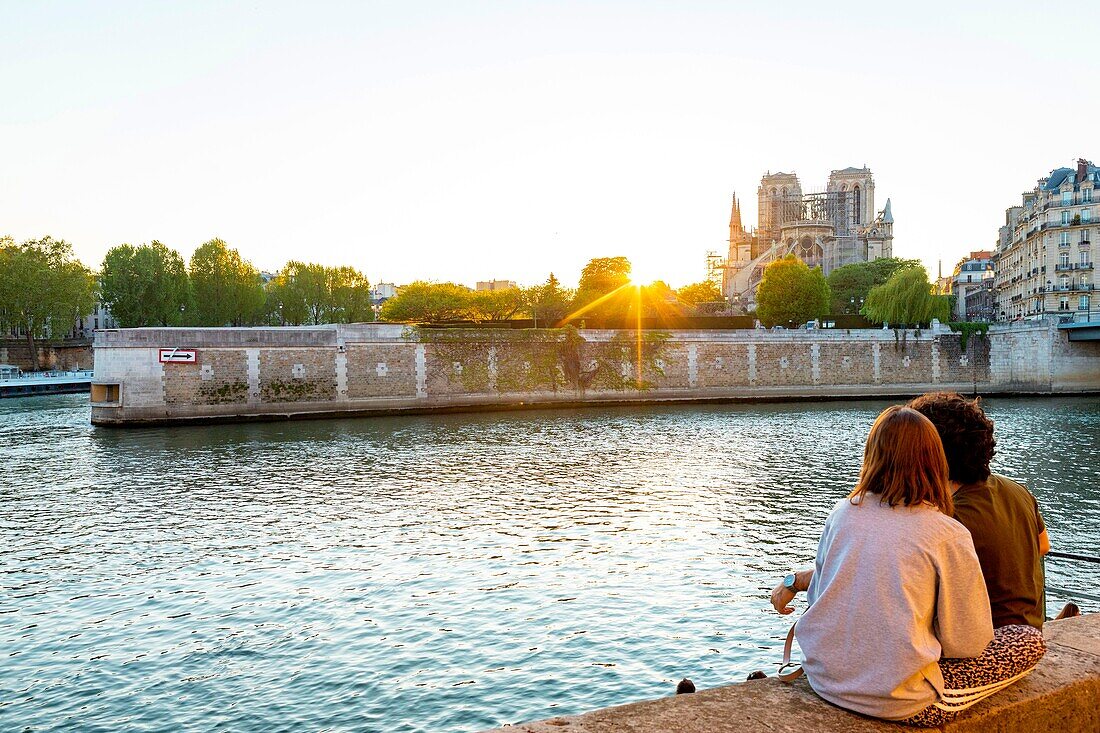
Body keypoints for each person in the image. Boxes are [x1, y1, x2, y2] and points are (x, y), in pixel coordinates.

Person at [770, 406, 1045, 726]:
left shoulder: (841, 512)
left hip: (823, 680)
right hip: (898, 700)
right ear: (935, 460)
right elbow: (968, 644)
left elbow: (819, 599)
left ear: (871, 455)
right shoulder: (947, 532)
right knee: (1028, 640)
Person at [906, 392, 1052, 628]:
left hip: (985, 644)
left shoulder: (946, 519)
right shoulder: (1018, 491)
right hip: (1029, 633)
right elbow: (1043, 545)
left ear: (930, 454)